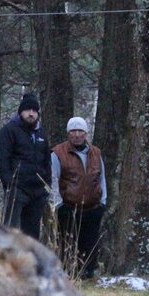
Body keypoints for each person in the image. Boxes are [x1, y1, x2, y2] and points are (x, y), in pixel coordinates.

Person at [50, 116, 107, 279]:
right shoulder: (58, 153)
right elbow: (53, 179)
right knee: (68, 243)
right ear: (68, 133)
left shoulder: (96, 153)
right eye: (73, 131)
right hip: (68, 208)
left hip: (92, 208)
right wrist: (58, 204)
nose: (76, 134)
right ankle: (68, 273)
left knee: (90, 244)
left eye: (80, 131)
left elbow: (101, 178)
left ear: (86, 133)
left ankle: (88, 274)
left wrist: (103, 202)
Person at [0, 93, 51, 239]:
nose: (31, 113)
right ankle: (6, 260)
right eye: (27, 110)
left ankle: (29, 261)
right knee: (10, 231)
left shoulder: (42, 133)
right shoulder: (8, 131)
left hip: (38, 191)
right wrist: (9, 184)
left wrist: (47, 185)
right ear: (21, 112)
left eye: (34, 110)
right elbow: (2, 159)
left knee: (31, 236)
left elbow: (47, 160)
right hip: (18, 189)